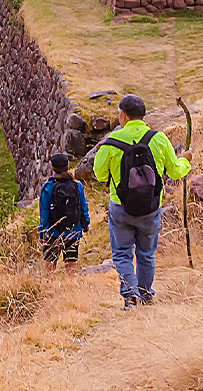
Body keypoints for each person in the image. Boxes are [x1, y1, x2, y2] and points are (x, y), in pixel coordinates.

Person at [93, 94, 190, 308]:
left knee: (122, 254)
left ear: (123, 115)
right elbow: (174, 172)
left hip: (120, 206)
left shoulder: (111, 143)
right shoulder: (159, 139)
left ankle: (130, 296)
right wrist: (186, 161)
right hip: (151, 206)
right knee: (146, 254)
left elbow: (99, 175)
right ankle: (145, 295)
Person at [38, 152, 89, 275]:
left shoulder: (48, 187)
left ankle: (49, 286)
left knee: (50, 263)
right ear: (68, 166)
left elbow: (44, 213)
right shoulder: (77, 186)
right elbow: (83, 207)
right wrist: (85, 224)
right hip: (73, 230)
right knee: (70, 263)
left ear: (52, 168)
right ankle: (72, 288)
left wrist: (42, 232)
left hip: (53, 231)